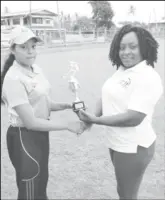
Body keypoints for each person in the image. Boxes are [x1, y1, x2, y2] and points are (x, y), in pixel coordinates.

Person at [77, 24, 163, 199]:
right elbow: (106, 95)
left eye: (133, 46)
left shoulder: (148, 77)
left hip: (134, 147)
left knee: (126, 194)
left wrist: (95, 120)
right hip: (117, 143)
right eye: (122, 47)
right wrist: (91, 116)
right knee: (122, 190)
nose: (126, 52)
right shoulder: (122, 70)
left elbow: (134, 118)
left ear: (144, 48)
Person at [1, 26, 82, 200]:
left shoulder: (36, 69)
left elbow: (42, 103)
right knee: (30, 188)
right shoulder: (13, 78)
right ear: (13, 50)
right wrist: (67, 125)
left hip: (40, 135)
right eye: (23, 47)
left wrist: (68, 105)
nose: (30, 52)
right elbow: (30, 121)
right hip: (24, 136)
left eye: (33, 46)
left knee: (41, 182)